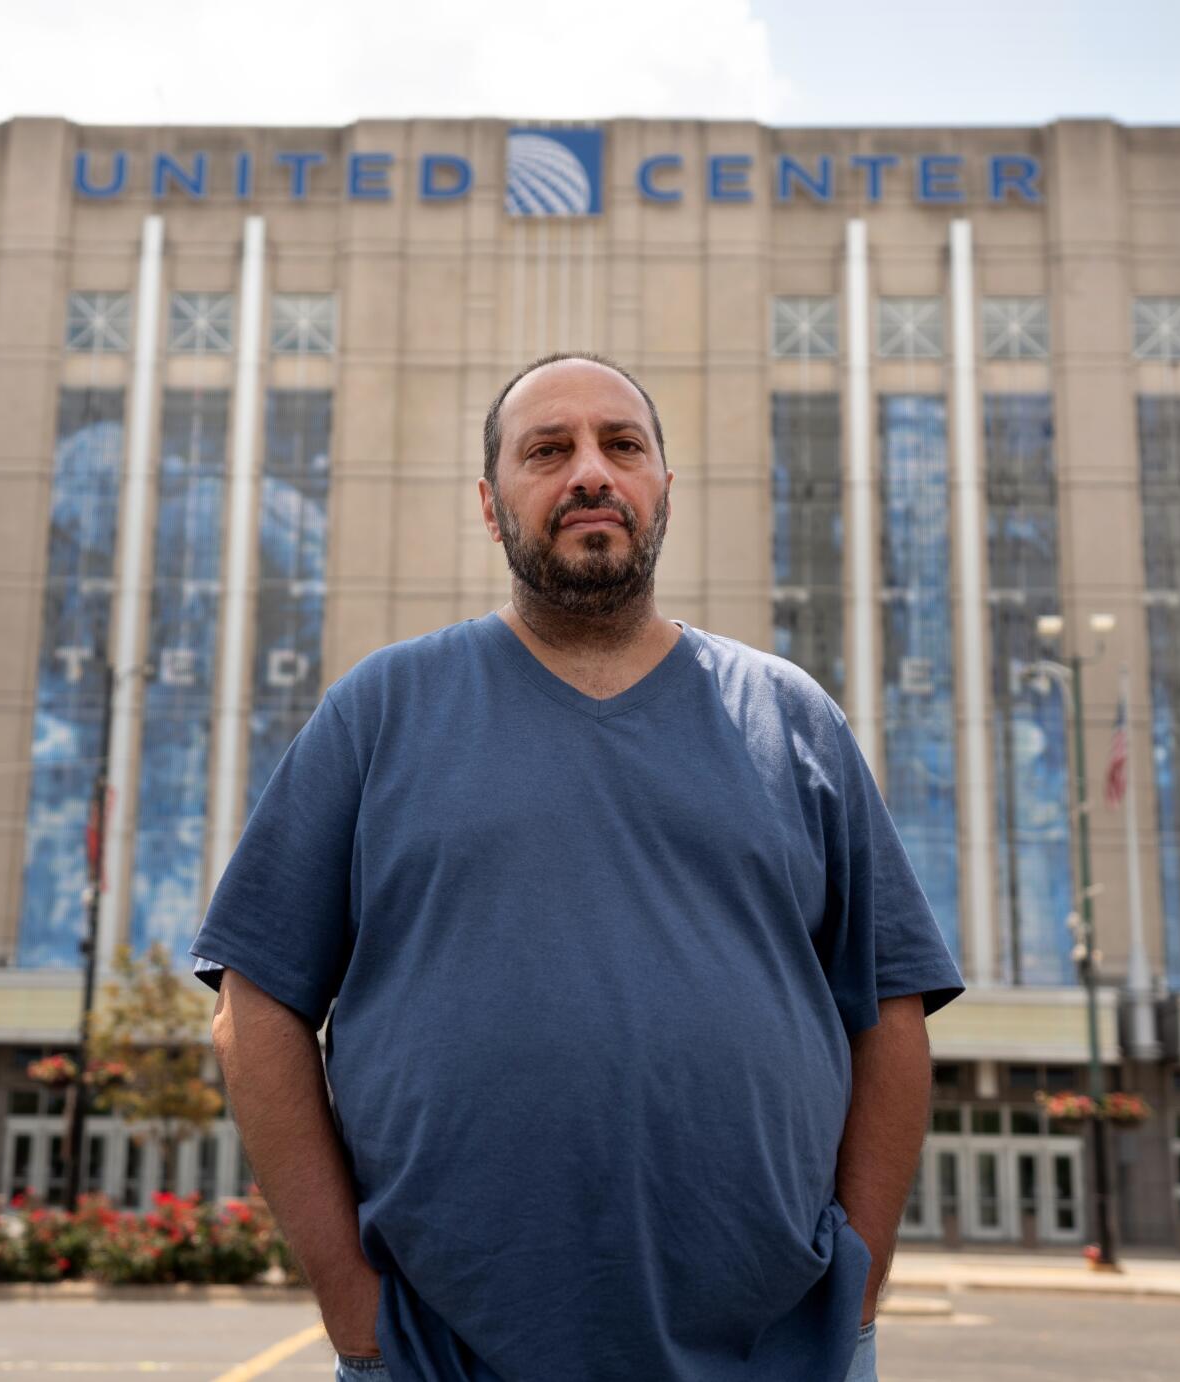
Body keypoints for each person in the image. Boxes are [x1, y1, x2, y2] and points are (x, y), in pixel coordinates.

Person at [192, 354, 963, 1382]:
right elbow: (256, 1002)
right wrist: (353, 1307)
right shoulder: (378, 712)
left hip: (775, 1354)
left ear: (662, 491)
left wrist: (853, 1297)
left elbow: (890, 1010)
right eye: (547, 450)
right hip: (437, 1358)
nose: (589, 472)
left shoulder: (793, 721)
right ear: (490, 501)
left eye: (621, 445)